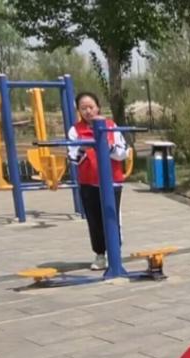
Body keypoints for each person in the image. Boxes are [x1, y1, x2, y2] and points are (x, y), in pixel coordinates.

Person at [67, 92, 129, 271]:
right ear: (79, 111)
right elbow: (73, 158)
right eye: (83, 108)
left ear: (98, 107)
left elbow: (123, 153)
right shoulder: (75, 130)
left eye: (91, 107)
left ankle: (114, 253)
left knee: (111, 217)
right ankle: (100, 254)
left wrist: (107, 147)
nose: (88, 111)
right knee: (94, 220)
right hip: (88, 182)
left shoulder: (111, 126)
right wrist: (83, 148)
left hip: (112, 181)